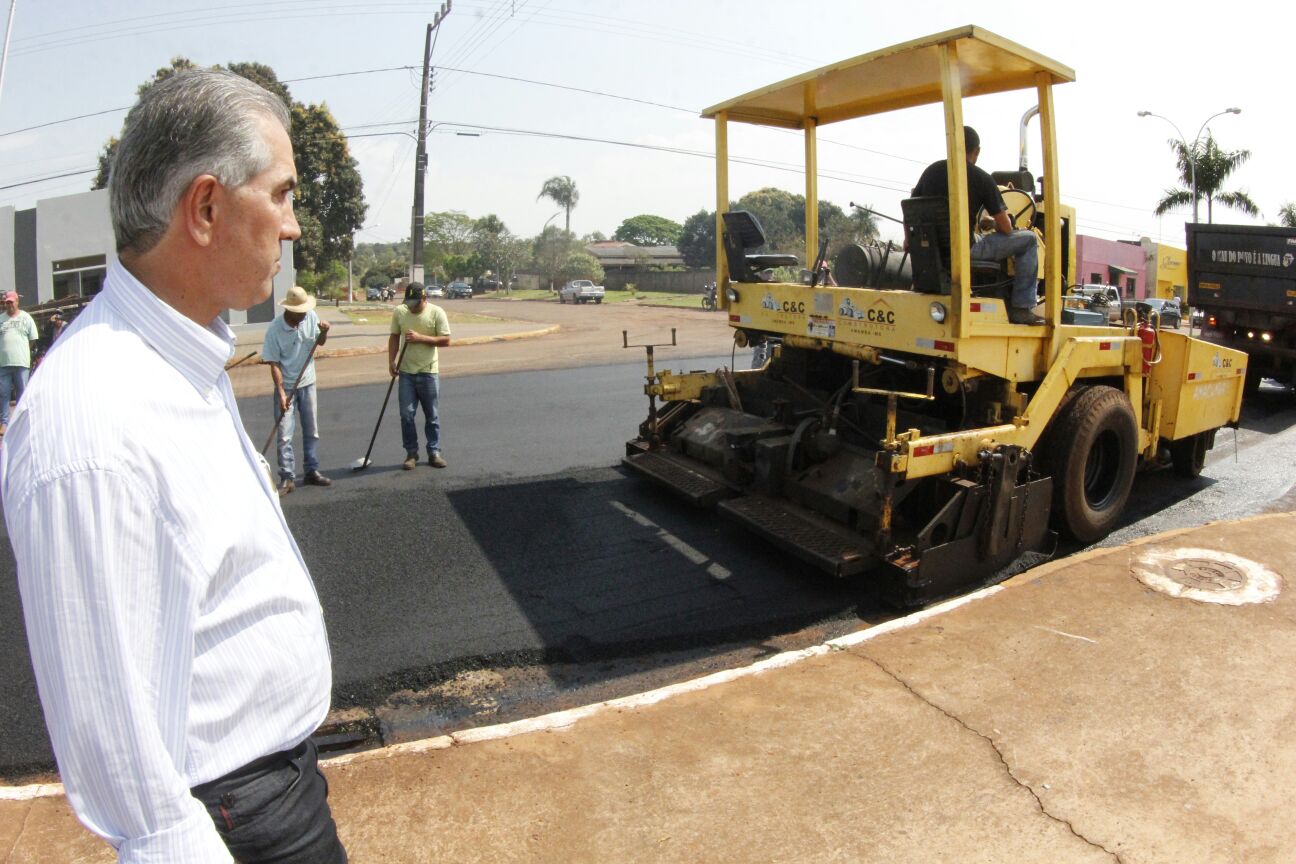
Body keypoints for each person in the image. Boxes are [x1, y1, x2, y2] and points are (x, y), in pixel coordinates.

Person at [0, 69, 347, 863]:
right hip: (230, 822)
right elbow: (122, 762)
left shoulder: (179, 358)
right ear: (206, 208)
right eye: (282, 194)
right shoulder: (92, 423)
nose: (293, 226)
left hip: (272, 794)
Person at [912, 125, 1042, 325]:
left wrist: (908, 240)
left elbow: (912, 209)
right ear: (976, 151)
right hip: (966, 248)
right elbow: (1007, 228)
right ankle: (1021, 308)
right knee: (1029, 240)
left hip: (930, 247)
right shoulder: (981, 178)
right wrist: (995, 224)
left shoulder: (930, 172)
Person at [261, 285, 332, 496]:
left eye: (305, 310)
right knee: (284, 434)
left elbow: (319, 342)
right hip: (287, 386)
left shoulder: (310, 317)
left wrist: (324, 332)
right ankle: (287, 477)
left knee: (312, 430)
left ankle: (311, 470)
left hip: (308, 382)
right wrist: (282, 393)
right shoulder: (274, 329)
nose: (303, 314)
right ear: (289, 310)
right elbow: (273, 363)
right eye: (299, 312)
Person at [389, 281, 451, 470]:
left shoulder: (437, 312)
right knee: (406, 415)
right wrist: (391, 361)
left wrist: (420, 338)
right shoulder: (400, 312)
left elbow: (446, 340)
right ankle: (411, 453)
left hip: (428, 372)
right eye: (409, 302)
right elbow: (394, 336)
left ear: (425, 298)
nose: (411, 307)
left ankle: (434, 452)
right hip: (406, 372)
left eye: (415, 303)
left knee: (431, 415)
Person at [0, 291, 38, 436]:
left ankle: (23, 423)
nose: (9, 304)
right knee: (3, 394)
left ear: (17, 302)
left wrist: (23, 351)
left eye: (12, 302)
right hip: (3, 363)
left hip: (21, 362)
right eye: (7, 302)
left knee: (22, 393)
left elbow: (33, 338)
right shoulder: (1, 318)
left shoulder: (26, 317)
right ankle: (4, 423)